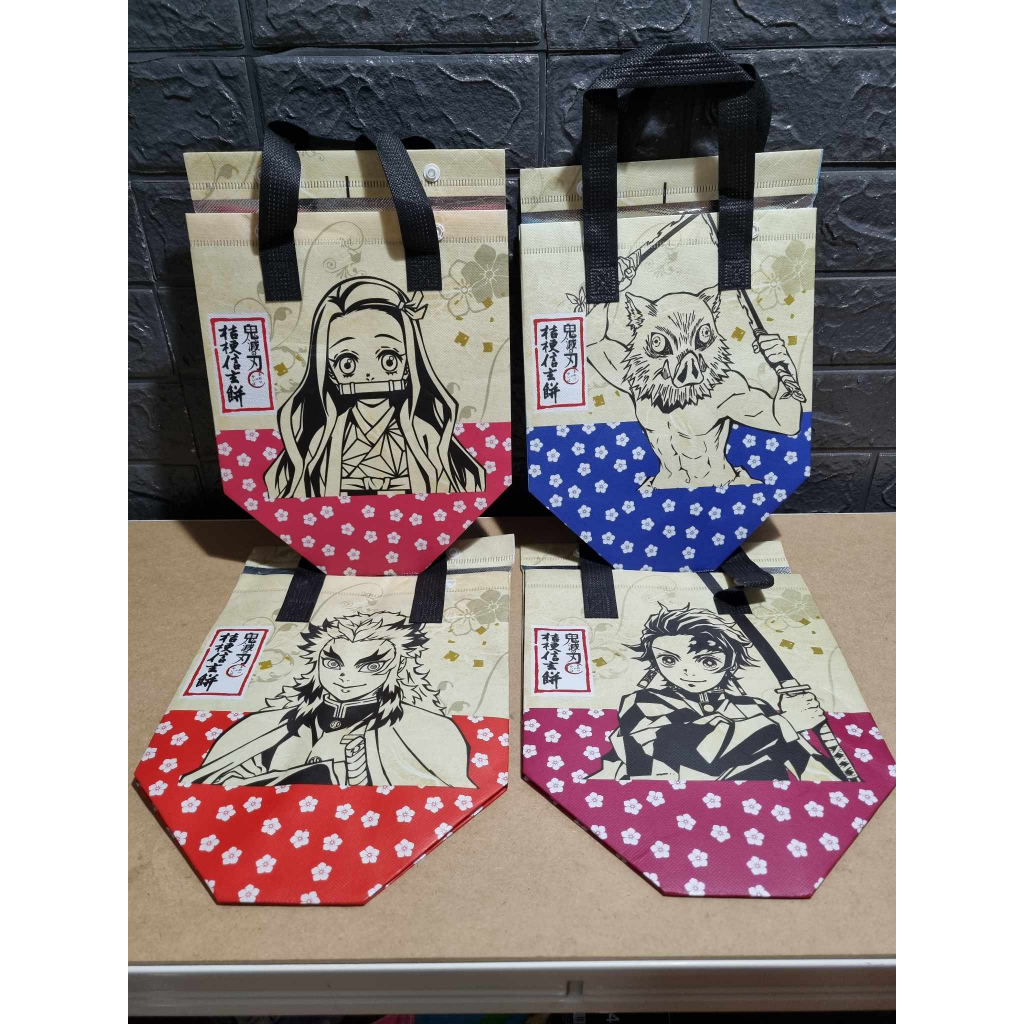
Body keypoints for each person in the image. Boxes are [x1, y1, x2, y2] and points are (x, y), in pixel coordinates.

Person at [179, 612, 474, 788]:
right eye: (333, 663)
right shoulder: (265, 724)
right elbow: (210, 784)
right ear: (316, 663)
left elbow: (449, 792)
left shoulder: (428, 728)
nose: (345, 677)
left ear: (398, 667)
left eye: (371, 666)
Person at [265, 276, 485, 498]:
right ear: (329, 371)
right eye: (347, 363)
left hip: (415, 513)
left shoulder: (423, 433)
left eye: (389, 359)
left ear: (408, 363)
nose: (369, 375)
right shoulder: (323, 437)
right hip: (340, 516)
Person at [590, 604, 837, 782]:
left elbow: (804, 761)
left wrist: (836, 784)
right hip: (657, 804)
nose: (687, 672)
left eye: (708, 661)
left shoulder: (754, 707)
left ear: (731, 663)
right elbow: (686, 749)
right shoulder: (643, 702)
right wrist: (787, 722)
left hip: (757, 809)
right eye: (669, 660)